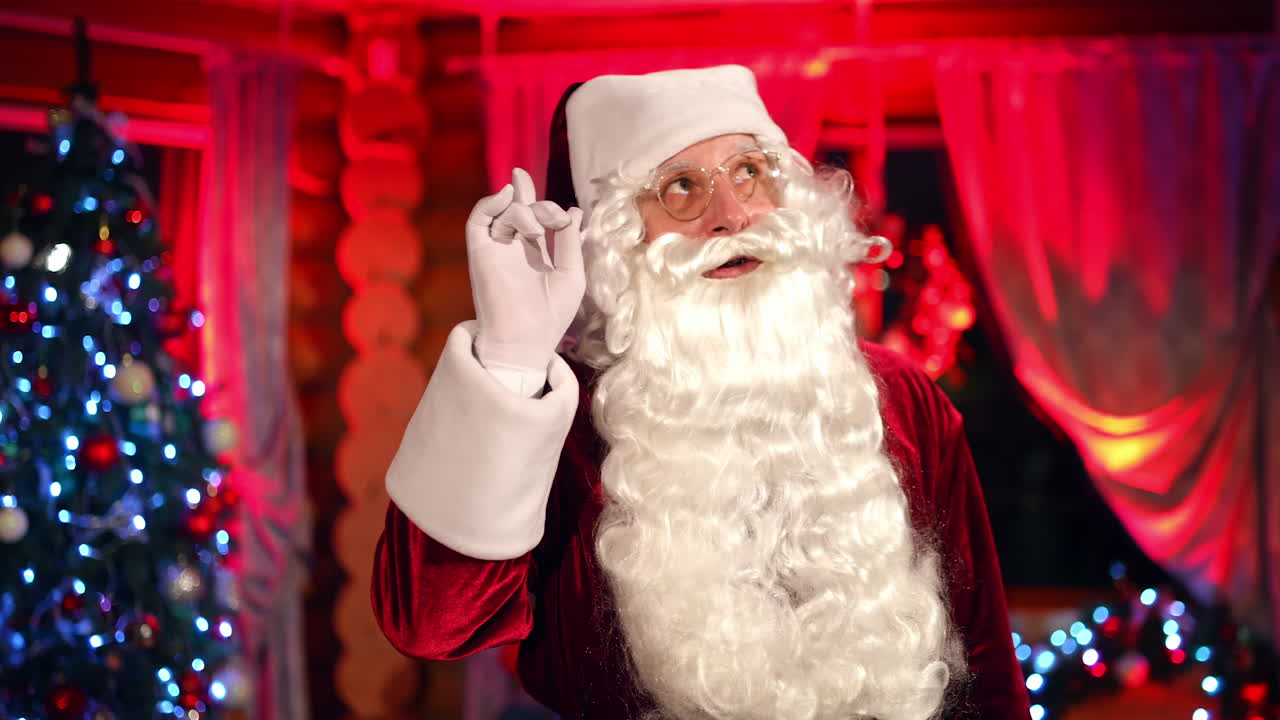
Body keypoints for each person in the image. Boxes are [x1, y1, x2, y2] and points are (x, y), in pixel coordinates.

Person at [372, 65, 1030, 720]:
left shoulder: (900, 398)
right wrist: (511, 355)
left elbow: (987, 666)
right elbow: (433, 625)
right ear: (616, 241)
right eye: (681, 188)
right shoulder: (561, 420)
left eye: (749, 170)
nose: (732, 214)